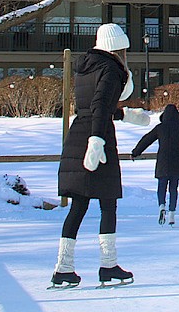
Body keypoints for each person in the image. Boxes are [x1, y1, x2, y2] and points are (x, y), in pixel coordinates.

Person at [51, 23, 151, 289]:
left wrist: (125, 115)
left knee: (78, 205)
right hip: (97, 140)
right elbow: (99, 106)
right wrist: (96, 142)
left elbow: (94, 106)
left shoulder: (87, 66)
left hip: (78, 136)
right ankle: (108, 265)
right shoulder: (111, 69)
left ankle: (63, 268)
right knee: (108, 203)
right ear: (117, 47)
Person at [131, 103, 179, 226]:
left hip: (163, 161)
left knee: (161, 185)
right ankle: (172, 213)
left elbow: (146, 140)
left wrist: (135, 153)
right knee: (173, 188)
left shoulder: (160, 128)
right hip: (176, 161)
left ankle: (161, 205)